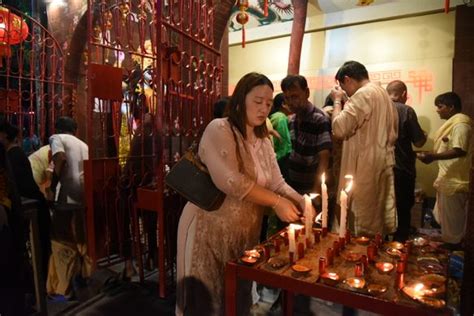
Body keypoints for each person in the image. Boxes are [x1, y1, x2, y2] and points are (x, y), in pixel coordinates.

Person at [176, 72, 305, 315]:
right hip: (208, 227)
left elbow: (277, 182)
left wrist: (301, 201)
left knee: (236, 298)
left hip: (243, 234)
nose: (264, 109)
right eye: (257, 101)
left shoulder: (263, 140)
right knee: (207, 299)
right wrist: (276, 202)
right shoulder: (220, 129)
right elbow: (230, 181)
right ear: (240, 99)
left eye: (268, 103)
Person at [330, 61, 398, 237]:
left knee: (360, 221)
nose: (345, 92)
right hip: (382, 163)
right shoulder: (383, 95)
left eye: (343, 87)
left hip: (364, 168)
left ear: (347, 79)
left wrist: (337, 101)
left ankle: (359, 258)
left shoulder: (363, 94)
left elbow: (339, 128)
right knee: (377, 216)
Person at [417, 92, 471, 247]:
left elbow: (459, 150)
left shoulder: (461, 124)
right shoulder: (455, 124)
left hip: (456, 181)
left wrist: (433, 157)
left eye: (440, 107)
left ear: (451, 107)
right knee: (448, 220)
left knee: (454, 223)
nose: (437, 110)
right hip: (449, 179)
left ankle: (454, 253)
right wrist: (431, 155)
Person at [0, 121, 51, 280]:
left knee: (38, 252)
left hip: (33, 208)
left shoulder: (13, 156)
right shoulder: (15, 154)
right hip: (34, 205)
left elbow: (17, 188)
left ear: (5, 135)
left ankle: (40, 287)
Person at [46, 116, 90, 297]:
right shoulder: (84, 145)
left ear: (57, 128)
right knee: (80, 238)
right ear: (75, 130)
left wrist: (52, 186)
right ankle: (83, 274)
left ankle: (66, 288)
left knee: (61, 240)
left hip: (65, 196)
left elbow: (61, 158)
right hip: (82, 196)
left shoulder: (56, 138)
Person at [386, 80, 427, 242]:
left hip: (381, 168)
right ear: (404, 94)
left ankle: (379, 248)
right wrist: (424, 135)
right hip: (402, 169)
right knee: (403, 211)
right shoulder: (406, 111)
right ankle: (399, 250)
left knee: (383, 210)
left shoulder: (378, 110)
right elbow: (418, 142)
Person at [281, 75, 332, 195]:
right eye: (287, 98)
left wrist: (316, 190)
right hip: (296, 188)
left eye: (295, 97)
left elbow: (324, 159)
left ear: (307, 92)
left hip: (312, 190)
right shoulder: (293, 120)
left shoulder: (319, 119)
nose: (291, 102)